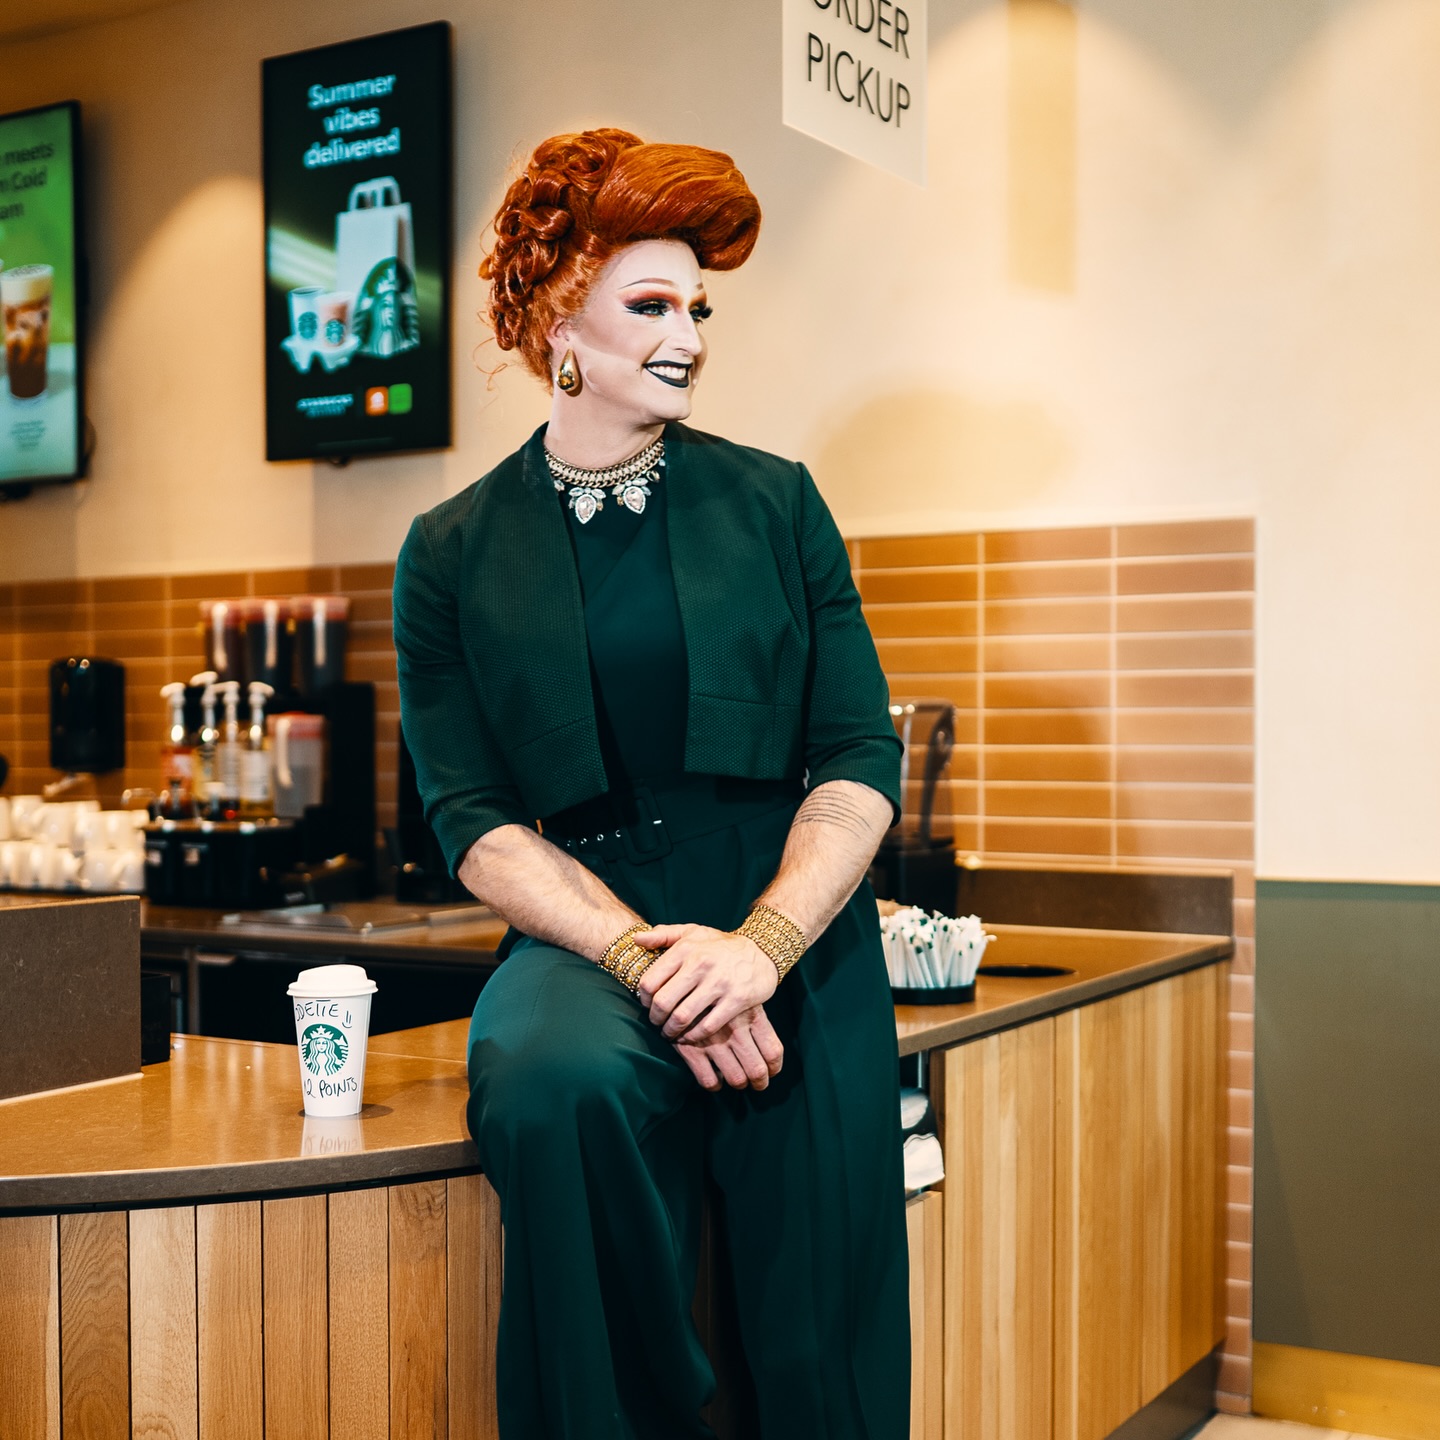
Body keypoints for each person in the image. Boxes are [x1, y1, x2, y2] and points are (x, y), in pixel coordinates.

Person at [393, 127, 909, 1440]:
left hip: (783, 913)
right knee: (549, 1082)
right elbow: (470, 817)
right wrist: (643, 960)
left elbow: (856, 758)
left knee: (820, 1280)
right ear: (561, 317)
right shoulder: (447, 552)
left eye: (699, 305)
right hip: (586, 920)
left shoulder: (778, 504)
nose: (688, 331)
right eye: (653, 302)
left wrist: (762, 947)